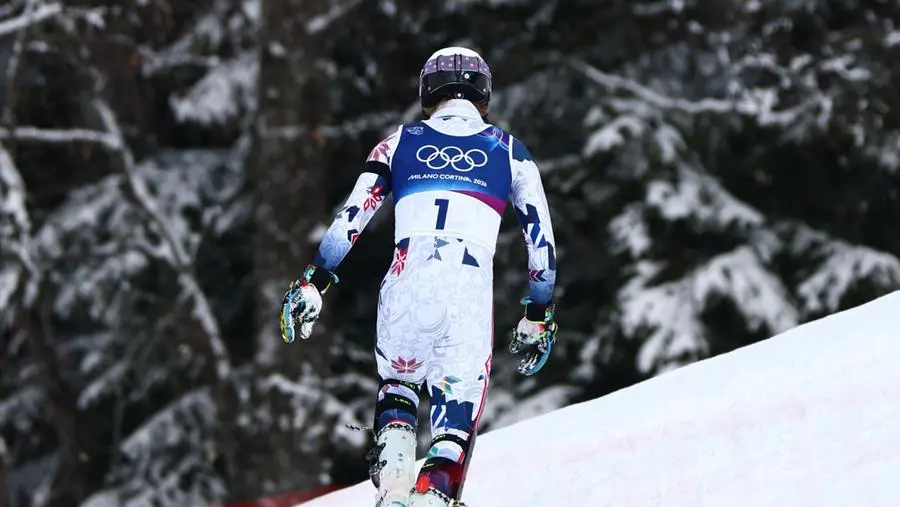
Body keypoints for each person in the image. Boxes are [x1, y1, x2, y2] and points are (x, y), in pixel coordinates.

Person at [279, 47, 558, 507]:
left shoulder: (396, 143)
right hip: (465, 292)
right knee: (453, 428)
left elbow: (352, 216)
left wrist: (314, 280)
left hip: (405, 282)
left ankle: (392, 490)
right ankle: (430, 498)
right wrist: (538, 314)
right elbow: (541, 243)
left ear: (428, 91)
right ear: (483, 94)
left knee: (398, 388)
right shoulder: (511, 152)